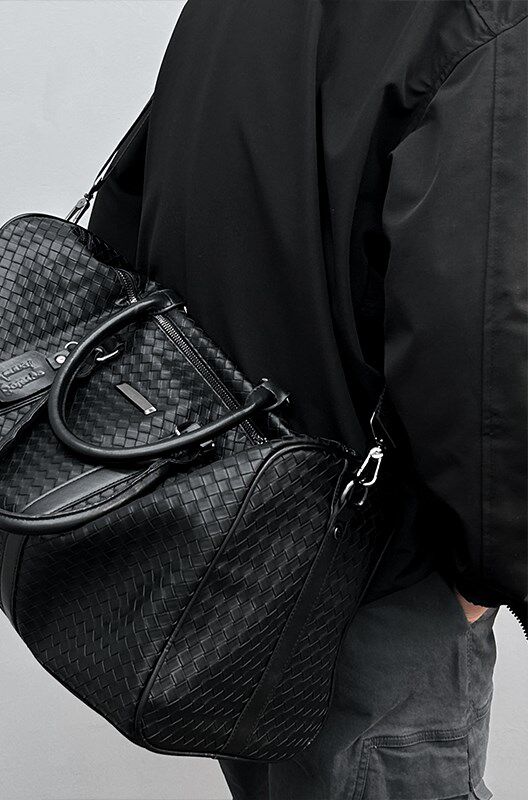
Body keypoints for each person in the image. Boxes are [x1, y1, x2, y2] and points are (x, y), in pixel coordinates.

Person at [86, 1, 527, 797]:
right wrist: (487, 572)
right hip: (377, 570)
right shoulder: (489, 20)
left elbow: (132, 213)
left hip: (233, 541)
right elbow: (479, 333)